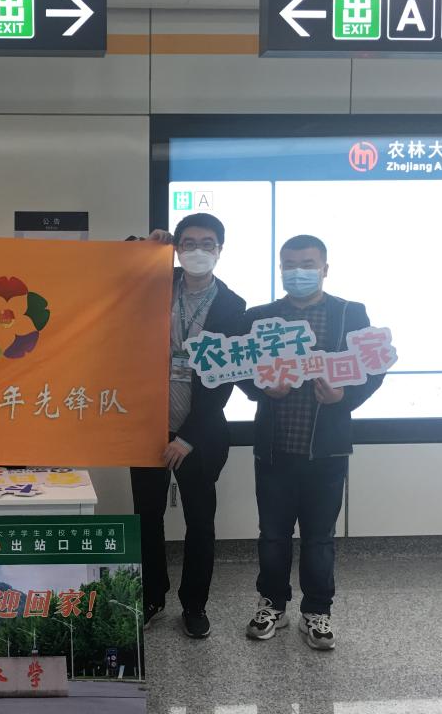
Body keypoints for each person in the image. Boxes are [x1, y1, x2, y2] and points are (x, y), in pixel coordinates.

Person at [238, 234, 384, 650]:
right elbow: (241, 369)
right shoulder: (260, 318)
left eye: (307, 264)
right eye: (289, 264)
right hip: (274, 450)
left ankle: (317, 612)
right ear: (280, 268)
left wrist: (344, 396)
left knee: (320, 538)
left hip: (327, 451)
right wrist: (262, 389)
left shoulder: (349, 313)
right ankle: (272, 605)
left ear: (324, 268)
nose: (297, 272)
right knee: (272, 535)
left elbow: (374, 367)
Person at [130, 213, 247, 639]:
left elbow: (223, 381)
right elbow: (116, 267)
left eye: (207, 243)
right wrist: (146, 245)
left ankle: (194, 605)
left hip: (201, 433)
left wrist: (188, 437)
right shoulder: (157, 282)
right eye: (189, 242)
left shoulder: (233, 306)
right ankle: (152, 596)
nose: (198, 250)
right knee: (147, 517)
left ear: (220, 250)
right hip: (147, 426)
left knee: (200, 521)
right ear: (176, 248)